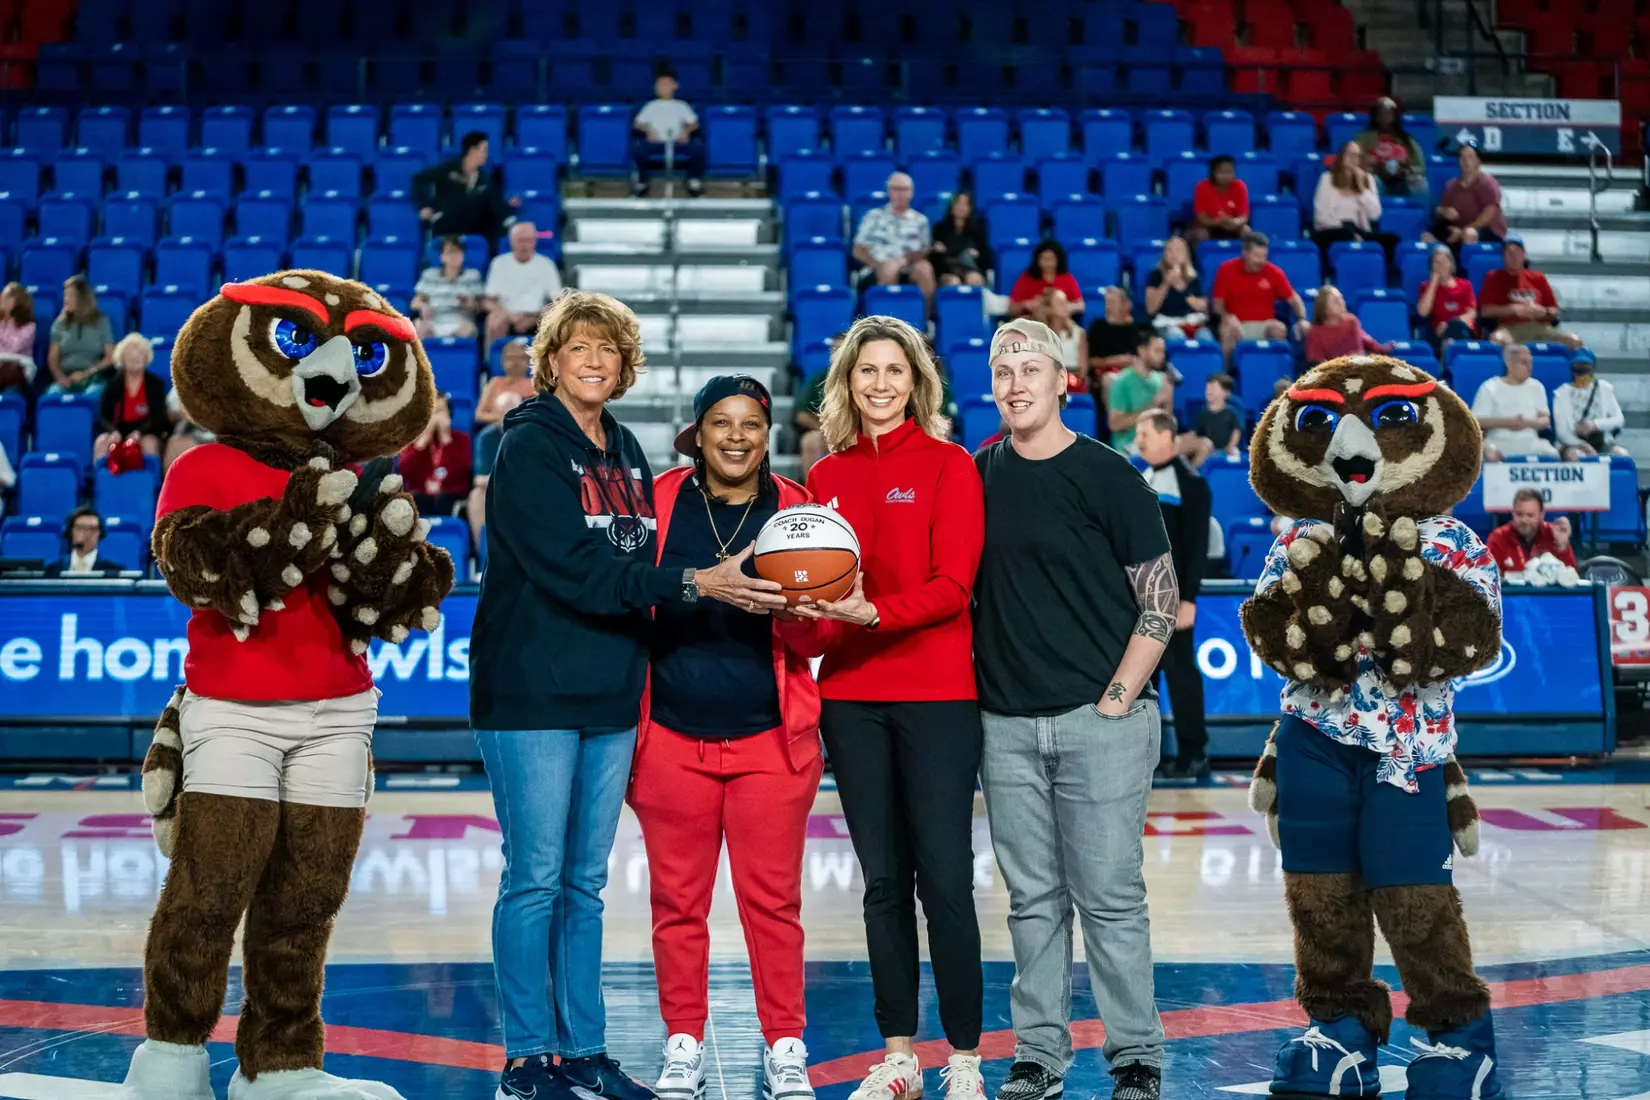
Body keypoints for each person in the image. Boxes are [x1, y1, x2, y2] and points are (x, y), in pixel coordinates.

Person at [469, 291, 784, 1100]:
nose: (595, 361)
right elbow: (576, 570)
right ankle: (527, 1058)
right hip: (533, 688)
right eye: (578, 348)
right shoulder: (529, 449)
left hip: (612, 693)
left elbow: (630, 564)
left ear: (625, 363)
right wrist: (693, 581)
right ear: (551, 361)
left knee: (585, 882)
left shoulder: (627, 451)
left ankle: (583, 1049)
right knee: (535, 876)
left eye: (608, 349)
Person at [974, 318, 1172, 1100]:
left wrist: (1118, 699)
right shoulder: (978, 475)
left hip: (1103, 722)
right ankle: (1039, 1057)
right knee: (1032, 902)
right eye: (1002, 370)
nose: (1015, 384)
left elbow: (1160, 599)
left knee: (1111, 898)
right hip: (1006, 724)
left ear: (1064, 381)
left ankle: (1136, 1056)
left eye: (1031, 368)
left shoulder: (1108, 474)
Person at [794, 315, 987, 1100]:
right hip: (850, 698)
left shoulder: (950, 466)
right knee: (881, 883)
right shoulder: (824, 476)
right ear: (847, 382)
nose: (880, 384)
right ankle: (900, 1052)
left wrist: (874, 614)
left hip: (939, 695)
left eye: (894, 372)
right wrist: (794, 613)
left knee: (944, 877)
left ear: (918, 384)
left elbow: (953, 587)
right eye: (866, 371)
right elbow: (813, 602)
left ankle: (966, 1057)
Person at [632, 375, 824, 1100]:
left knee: (772, 905)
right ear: (698, 431)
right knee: (676, 905)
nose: (737, 436)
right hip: (671, 736)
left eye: (750, 423)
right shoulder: (657, 501)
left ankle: (785, 1047)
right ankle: (683, 1044)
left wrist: (806, 611)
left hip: (771, 740)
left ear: (767, 433)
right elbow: (630, 593)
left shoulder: (799, 510)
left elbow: (819, 632)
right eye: (722, 422)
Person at [1136, 408, 1211, 779]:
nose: (1138, 441)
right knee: (1145, 682)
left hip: (1175, 600)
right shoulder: (1140, 478)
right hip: (1141, 601)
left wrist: (1188, 598)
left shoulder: (1192, 484)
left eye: (1144, 433)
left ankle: (1193, 753)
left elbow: (1198, 547)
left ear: (1167, 437)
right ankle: (1148, 757)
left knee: (1181, 678)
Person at [1211, 232, 1309, 358]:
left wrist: (1301, 319)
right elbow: (1217, 305)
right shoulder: (1226, 269)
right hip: (1237, 324)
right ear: (1245, 253)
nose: (1261, 261)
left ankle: (1280, 373)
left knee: (1278, 328)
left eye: (1264, 256)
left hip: (1265, 325)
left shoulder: (1274, 272)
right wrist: (1226, 316)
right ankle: (1225, 374)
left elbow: (1294, 298)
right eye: (1257, 256)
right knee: (1227, 328)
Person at [412, 130, 519, 241]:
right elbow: (418, 179)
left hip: (474, 230)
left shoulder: (485, 179)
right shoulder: (448, 169)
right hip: (447, 227)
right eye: (484, 150)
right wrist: (423, 206)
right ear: (472, 150)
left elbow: (494, 204)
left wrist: (509, 206)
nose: (486, 155)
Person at [1480, 236, 1583, 350]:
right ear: (1503, 256)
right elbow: (1485, 311)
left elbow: (1554, 311)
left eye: (1518, 252)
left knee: (1573, 340)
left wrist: (1543, 312)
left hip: (1540, 327)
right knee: (1497, 339)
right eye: (1509, 253)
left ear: (1524, 255)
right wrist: (1513, 310)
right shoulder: (1493, 277)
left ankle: (1580, 365)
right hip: (1510, 328)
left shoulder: (1538, 277)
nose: (1514, 257)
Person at [853, 173, 936, 311]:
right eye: (895, 189)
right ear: (888, 191)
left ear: (911, 193)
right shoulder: (873, 216)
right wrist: (878, 264)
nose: (900, 194)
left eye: (904, 189)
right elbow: (858, 250)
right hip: (876, 267)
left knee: (925, 269)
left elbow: (924, 251)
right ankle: (884, 324)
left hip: (908, 267)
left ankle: (923, 324)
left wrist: (903, 261)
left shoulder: (920, 220)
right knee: (889, 268)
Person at [1471, 343, 1557, 461]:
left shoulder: (1536, 386)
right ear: (1509, 364)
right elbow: (1477, 420)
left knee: (1553, 454)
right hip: (1498, 441)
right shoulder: (1490, 387)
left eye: (1530, 362)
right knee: (1490, 454)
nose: (1529, 367)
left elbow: (1545, 420)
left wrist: (1526, 423)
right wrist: (1507, 422)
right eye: (1524, 363)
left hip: (1530, 441)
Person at [1311, 141, 1396, 260]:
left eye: (1357, 156)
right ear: (1341, 157)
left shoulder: (1368, 179)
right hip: (1332, 230)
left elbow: (1375, 215)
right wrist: (1350, 232)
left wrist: (1361, 188)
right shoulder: (1327, 179)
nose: (1354, 159)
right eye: (1350, 154)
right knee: (1346, 233)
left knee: (1392, 239)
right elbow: (1320, 218)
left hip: (1360, 232)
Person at [484, 222, 564, 342]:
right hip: (506, 314)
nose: (524, 245)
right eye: (520, 240)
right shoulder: (499, 263)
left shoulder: (546, 265)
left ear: (535, 241)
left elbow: (557, 301)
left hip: (536, 315)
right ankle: (492, 359)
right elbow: (489, 300)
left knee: (555, 319)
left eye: (529, 240)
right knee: (494, 320)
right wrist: (509, 316)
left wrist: (532, 318)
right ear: (511, 241)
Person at [94, 333, 169, 461]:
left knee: (149, 443)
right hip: (117, 430)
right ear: (122, 359)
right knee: (101, 442)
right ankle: (101, 479)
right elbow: (103, 416)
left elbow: (159, 417)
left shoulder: (156, 384)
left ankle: (151, 480)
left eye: (139, 353)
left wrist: (139, 433)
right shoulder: (112, 384)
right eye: (130, 353)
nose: (135, 356)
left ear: (146, 357)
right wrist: (113, 432)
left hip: (146, 430)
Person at [397, 392, 473, 518]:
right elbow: (404, 470)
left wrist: (446, 440)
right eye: (432, 413)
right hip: (421, 495)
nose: (436, 419)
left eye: (441, 412)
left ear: (449, 415)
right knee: (417, 501)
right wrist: (423, 442)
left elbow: (463, 470)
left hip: (451, 495)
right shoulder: (413, 441)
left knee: (443, 500)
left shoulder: (462, 439)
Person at [632, 69, 706, 197]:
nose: (662, 88)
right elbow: (637, 123)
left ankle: (693, 181)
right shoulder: (651, 106)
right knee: (638, 149)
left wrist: (686, 132)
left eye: (666, 84)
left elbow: (694, 123)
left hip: (677, 142)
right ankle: (643, 182)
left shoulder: (681, 105)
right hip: (656, 143)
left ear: (674, 86)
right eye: (659, 85)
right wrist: (648, 131)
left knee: (698, 149)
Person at [1553, 350, 1628, 460]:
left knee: (1621, 455)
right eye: (1578, 369)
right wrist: (1583, 445)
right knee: (1578, 456)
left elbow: (1619, 419)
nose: (1582, 374)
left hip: (1601, 441)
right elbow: (1562, 432)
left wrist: (1595, 425)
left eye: (1585, 369)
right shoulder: (1561, 393)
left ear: (1592, 370)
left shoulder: (1604, 388)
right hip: (1572, 443)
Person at [46, 275, 114, 396]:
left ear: (82, 298)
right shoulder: (59, 323)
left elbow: (110, 357)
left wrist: (86, 373)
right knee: (53, 395)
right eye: (65, 296)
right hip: (66, 377)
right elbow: (53, 359)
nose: (66, 300)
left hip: (93, 376)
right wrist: (61, 378)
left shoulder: (102, 321)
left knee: (93, 394)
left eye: (70, 296)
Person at [1108, 332, 1173, 456]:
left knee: (1203, 444)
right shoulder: (1122, 381)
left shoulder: (1161, 379)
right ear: (1142, 351)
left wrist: (1169, 400)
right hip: (1130, 446)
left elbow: (1167, 423)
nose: (1162, 356)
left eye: (1163, 352)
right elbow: (1115, 424)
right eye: (1157, 351)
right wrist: (1155, 403)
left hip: (1160, 442)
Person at [1428, 143, 1505, 248]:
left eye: (1470, 157)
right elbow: (1440, 210)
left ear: (1478, 161)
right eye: (1462, 157)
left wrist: (1462, 231)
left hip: (1485, 230)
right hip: (1457, 229)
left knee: (1469, 234)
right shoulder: (1451, 185)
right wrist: (1445, 212)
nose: (1466, 161)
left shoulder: (1488, 183)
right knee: (1427, 236)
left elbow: (1490, 213)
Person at [1486, 488, 1577, 573]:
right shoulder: (1498, 538)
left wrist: (1562, 547)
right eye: (1519, 514)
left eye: (1530, 515)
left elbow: (1571, 577)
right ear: (1512, 513)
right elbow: (1488, 577)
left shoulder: (1553, 535)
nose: (1524, 520)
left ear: (1541, 516)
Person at [412, 235, 484, 339]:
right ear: (442, 257)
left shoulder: (473, 276)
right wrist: (423, 306)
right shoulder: (429, 275)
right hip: (434, 320)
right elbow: (416, 302)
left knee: (467, 329)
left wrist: (470, 304)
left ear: (463, 255)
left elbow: (480, 307)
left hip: (461, 321)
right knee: (419, 325)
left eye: (457, 252)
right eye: (449, 252)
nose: (453, 256)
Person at [1355, 97, 1428, 200]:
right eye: (1382, 113)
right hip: (1377, 179)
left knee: (1419, 182)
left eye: (1389, 113)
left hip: (1402, 182)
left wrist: (1406, 170)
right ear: (1376, 116)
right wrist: (1376, 169)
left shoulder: (1407, 140)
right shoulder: (1364, 138)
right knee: (1372, 180)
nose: (1385, 117)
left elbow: (1420, 167)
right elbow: (1355, 163)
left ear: (1395, 116)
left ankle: (1420, 214)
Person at [1304, 286, 1393, 365]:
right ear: (1324, 308)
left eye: (1341, 299)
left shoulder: (1352, 322)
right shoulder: (1315, 332)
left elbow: (1368, 343)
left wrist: (1383, 349)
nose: (1341, 302)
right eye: (1335, 301)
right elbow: (1319, 365)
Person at [1144, 237, 1211, 340]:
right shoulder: (1156, 275)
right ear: (1164, 254)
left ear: (1186, 255)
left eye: (1178, 250)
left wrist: (1201, 305)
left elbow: (1203, 306)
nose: (1174, 254)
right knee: (1176, 336)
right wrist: (1166, 284)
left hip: (1191, 323)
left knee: (1205, 336)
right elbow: (1150, 309)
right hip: (1167, 324)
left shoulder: (1193, 277)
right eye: (1170, 250)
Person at [1416, 244, 1477, 351]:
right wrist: (1434, 283)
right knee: (1448, 343)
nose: (1441, 265)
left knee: (1456, 336)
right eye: (1437, 262)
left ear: (1451, 264)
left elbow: (1472, 313)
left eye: (1444, 261)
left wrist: (1451, 324)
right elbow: (1422, 312)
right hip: (1439, 334)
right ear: (1431, 266)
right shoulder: (1426, 286)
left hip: (1463, 329)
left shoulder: (1465, 285)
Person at [1178, 373, 1243, 466]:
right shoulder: (1202, 413)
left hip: (1224, 451)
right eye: (1207, 388)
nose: (1208, 391)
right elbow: (1193, 433)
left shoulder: (1232, 413)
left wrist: (1230, 447)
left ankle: (1193, 473)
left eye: (1213, 388)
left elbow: (1236, 432)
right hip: (1205, 449)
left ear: (1226, 393)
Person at [1009, 241, 1084, 319]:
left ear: (1058, 260)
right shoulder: (1026, 278)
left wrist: (1064, 306)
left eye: (1051, 259)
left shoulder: (1067, 278)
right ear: (1037, 260)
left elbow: (1080, 306)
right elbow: (1011, 308)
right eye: (1044, 259)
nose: (1048, 263)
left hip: (1060, 320)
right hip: (1032, 321)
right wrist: (1025, 305)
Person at [43, 506, 126, 576]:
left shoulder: (113, 571)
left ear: (100, 534)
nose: (87, 534)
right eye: (81, 528)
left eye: (92, 529)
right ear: (70, 532)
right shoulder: (52, 570)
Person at [930, 191, 991, 286]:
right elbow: (935, 257)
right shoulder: (939, 228)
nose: (961, 207)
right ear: (951, 207)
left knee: (974, 279)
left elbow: (986, 257)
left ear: (970, 208)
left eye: (965, 204)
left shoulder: (978, 229)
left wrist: (978, 254)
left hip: (971, 268)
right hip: (947, 270)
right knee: (953, 282)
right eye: (958, 203)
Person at [1188, 154, 1250, 244]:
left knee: (1246, 231)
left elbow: (1243, 217)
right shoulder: (1202, 187)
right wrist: (1218, 222)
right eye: (1222, 172)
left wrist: (1234, 222)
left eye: (1230, 172)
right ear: (1213, 172)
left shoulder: (1240, 186)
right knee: (1200, 234)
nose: (1226, 176)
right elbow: (1201, 217)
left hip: (1232, 226)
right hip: (1209, 226)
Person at [162, 384, 214, 472]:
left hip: (223, 434)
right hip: (191, 431)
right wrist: (183, 414)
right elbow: (169, 414)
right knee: (175, 446)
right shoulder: (183, 381)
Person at [0, 281, 36, 392]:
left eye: (7, 298)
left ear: (18, 302)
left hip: (18, 370)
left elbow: (14, 347)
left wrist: (10, 322)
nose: (2, 301)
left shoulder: (29, 326)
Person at [1043, 289, 1087, 376]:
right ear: (1049, 309)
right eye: (1060, 303)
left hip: (1072, 381)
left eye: (1066, 302)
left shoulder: (1079, 333)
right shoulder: (1041, 335)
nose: (1065, 305)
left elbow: (1083, 370)